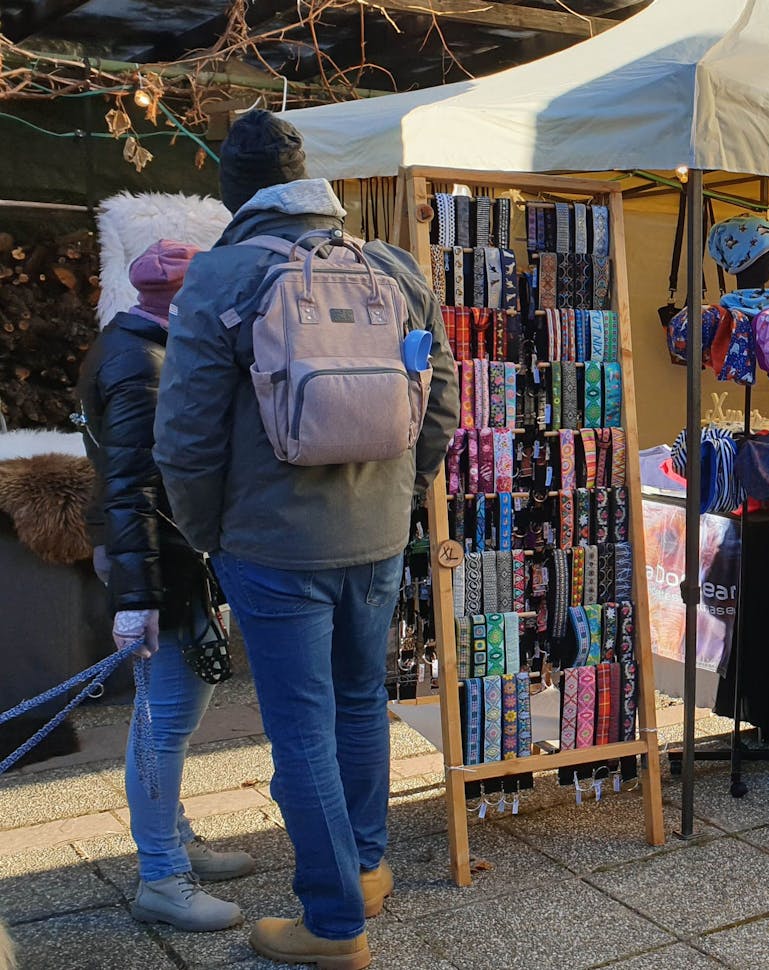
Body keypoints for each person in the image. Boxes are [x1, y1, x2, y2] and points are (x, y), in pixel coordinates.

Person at [154, 110, 457, 969]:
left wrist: (210, 532)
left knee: (300, 729)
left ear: (233, 192)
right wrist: (400, 500)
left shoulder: (221, 279)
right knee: (361, 702)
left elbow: (184, 437)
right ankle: (363, 870)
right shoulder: (394, 268)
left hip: (271, 544)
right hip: (374, 537)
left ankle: (332, 926)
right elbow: (441, 406)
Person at [78, 239, 256, 931]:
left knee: (168, 721)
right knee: (163, 726)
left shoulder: (132, 344)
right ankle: (161, 874)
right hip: (161, 561)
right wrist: (138, 598)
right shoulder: (140, 362)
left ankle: (173, 843)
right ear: (184, 298)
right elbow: (130, 489)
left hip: (163, 556)